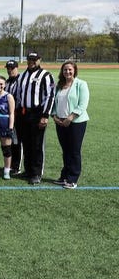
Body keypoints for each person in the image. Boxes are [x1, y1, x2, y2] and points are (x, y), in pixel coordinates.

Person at [15, 52, 55, 185]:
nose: (32, 61)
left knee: (37, 144)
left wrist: (45, 115)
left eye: (34, 59)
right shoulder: (22, 76)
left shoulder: (46, 75)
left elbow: (50, 96)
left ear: (39, 60)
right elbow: (19, 95)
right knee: (26, 143)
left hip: (37, 113)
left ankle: (36, 173)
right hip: (23, 113)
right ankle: (28, 170)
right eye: (30, 59)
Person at [52, 61, 89, 189]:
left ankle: (73, 179)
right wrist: (54, 116)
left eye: (70, 70)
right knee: (66, 151)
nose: (67, 72)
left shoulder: (81, 84)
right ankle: (64, 176)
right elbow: (54, 103)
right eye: (65, 70)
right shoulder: (59, 86)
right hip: (60, 122)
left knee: (74, 151)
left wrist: (71, 117)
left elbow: (83, 104)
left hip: (76, 123)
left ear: (74, 71)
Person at [3, 60, 22, 175]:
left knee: (16, 141)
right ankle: (10, 165)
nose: (10, 70)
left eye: (12, 68)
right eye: (8, 68)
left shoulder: (21, 81)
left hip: (18, 115)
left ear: (17, 68)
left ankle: (16, 166)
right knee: (9, 141)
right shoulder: (7, 82)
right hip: (7, 116)